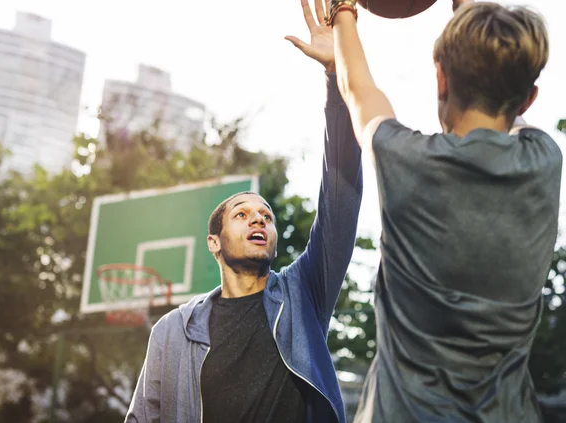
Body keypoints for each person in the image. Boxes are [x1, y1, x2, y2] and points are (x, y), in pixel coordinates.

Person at [293, 0, 560, 421]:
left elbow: (358, 91)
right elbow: (505, 103)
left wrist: (343, 14)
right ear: (529, 99)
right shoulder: (544, 159)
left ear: (440, 78)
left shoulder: (405, 159)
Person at [124, 7, 363, 423]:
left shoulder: (302, 295)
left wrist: (335, 77)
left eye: (266, 216)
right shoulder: (173, 331)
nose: (259, 220)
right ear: (213, 243)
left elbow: (340, 197)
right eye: (242, 214)